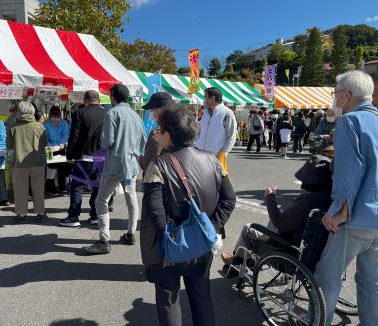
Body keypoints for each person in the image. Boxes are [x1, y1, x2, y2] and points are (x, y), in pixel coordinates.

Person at [141, 106, 236, 326]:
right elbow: (229, 199)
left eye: (160, 130)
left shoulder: (159, 165)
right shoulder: (213, 160)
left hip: (170, 246)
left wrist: (169, 236)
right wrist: (211, 227)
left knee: (168, 299)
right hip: (202, 245)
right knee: (201, 296)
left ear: (169, 134)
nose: (158, 134)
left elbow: (154, 210)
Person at [314, 70, 378, 326]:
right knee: (371, 283)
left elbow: (349, 173)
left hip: (356, 218)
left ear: (347, 96)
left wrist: (340, 211)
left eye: (336, 94)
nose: (335, 99)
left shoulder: (350, 122)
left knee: (327, 279)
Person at [221, 155, 333, 275]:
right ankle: (242, 260)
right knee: (271, 222)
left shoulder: (308, 201)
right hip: (314, 252)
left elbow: (280, 222)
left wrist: (270, 197)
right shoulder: (331, 198)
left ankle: (239, 264)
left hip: (290, 251)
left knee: (248, 228)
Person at [83, 84, 146, 254]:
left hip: (114, 165)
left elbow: (107, 141)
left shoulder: (112, 113)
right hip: (132, 165)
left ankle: (104, 240)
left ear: (113, 97)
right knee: (131, 200)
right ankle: (131, 233)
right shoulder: (136, 116)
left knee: (101, 200)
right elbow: (142, 142)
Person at [60, 90, 107, 227]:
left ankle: (74, 217)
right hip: (101, 157)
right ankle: (95, 216)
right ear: (98, 100)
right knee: (97, 188)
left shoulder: (79, 113)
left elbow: (74, 136)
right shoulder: (106, 113)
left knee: (77, 187)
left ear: (85, 101)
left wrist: (70, 156)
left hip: (83, 156)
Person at [7, 101, 48, 224]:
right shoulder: (40, 126)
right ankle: (40, 214)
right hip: (38, 162)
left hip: (19, 163)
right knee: (38, 189)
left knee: (20, 190)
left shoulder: (12, 127)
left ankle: (22, 215)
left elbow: (9, 145)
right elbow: (44, 144)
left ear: (19, 111)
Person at [195, 87, 237, 174]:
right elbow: (200, 132)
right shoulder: (205, 113)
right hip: (200, 155)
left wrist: (223, 153)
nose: (204, 99)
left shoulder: (227, 113)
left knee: (215, 183)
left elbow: (232, 136)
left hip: (216, 156)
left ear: (212, 98)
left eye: (205, 97)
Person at [139, 91, 174, 172]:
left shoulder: (157, 133)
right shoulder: (181, 128)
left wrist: (139, 158)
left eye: (153, 109)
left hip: (159, 180)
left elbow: (148, 165)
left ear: (162, 109)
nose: (151, 112)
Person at [43, 106, 70, 194]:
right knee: (51, 167)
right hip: (49, 149)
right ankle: (50, 187)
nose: (55, 119)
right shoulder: (45, 124)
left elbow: (65, 134)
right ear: (50, 116)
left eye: (57, 117)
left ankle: (62, 186)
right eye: (53, 117)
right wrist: (50, 146)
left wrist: (62, 143)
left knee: (61, 167)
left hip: (61, 148)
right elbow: (44, 137)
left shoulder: (64, 123)